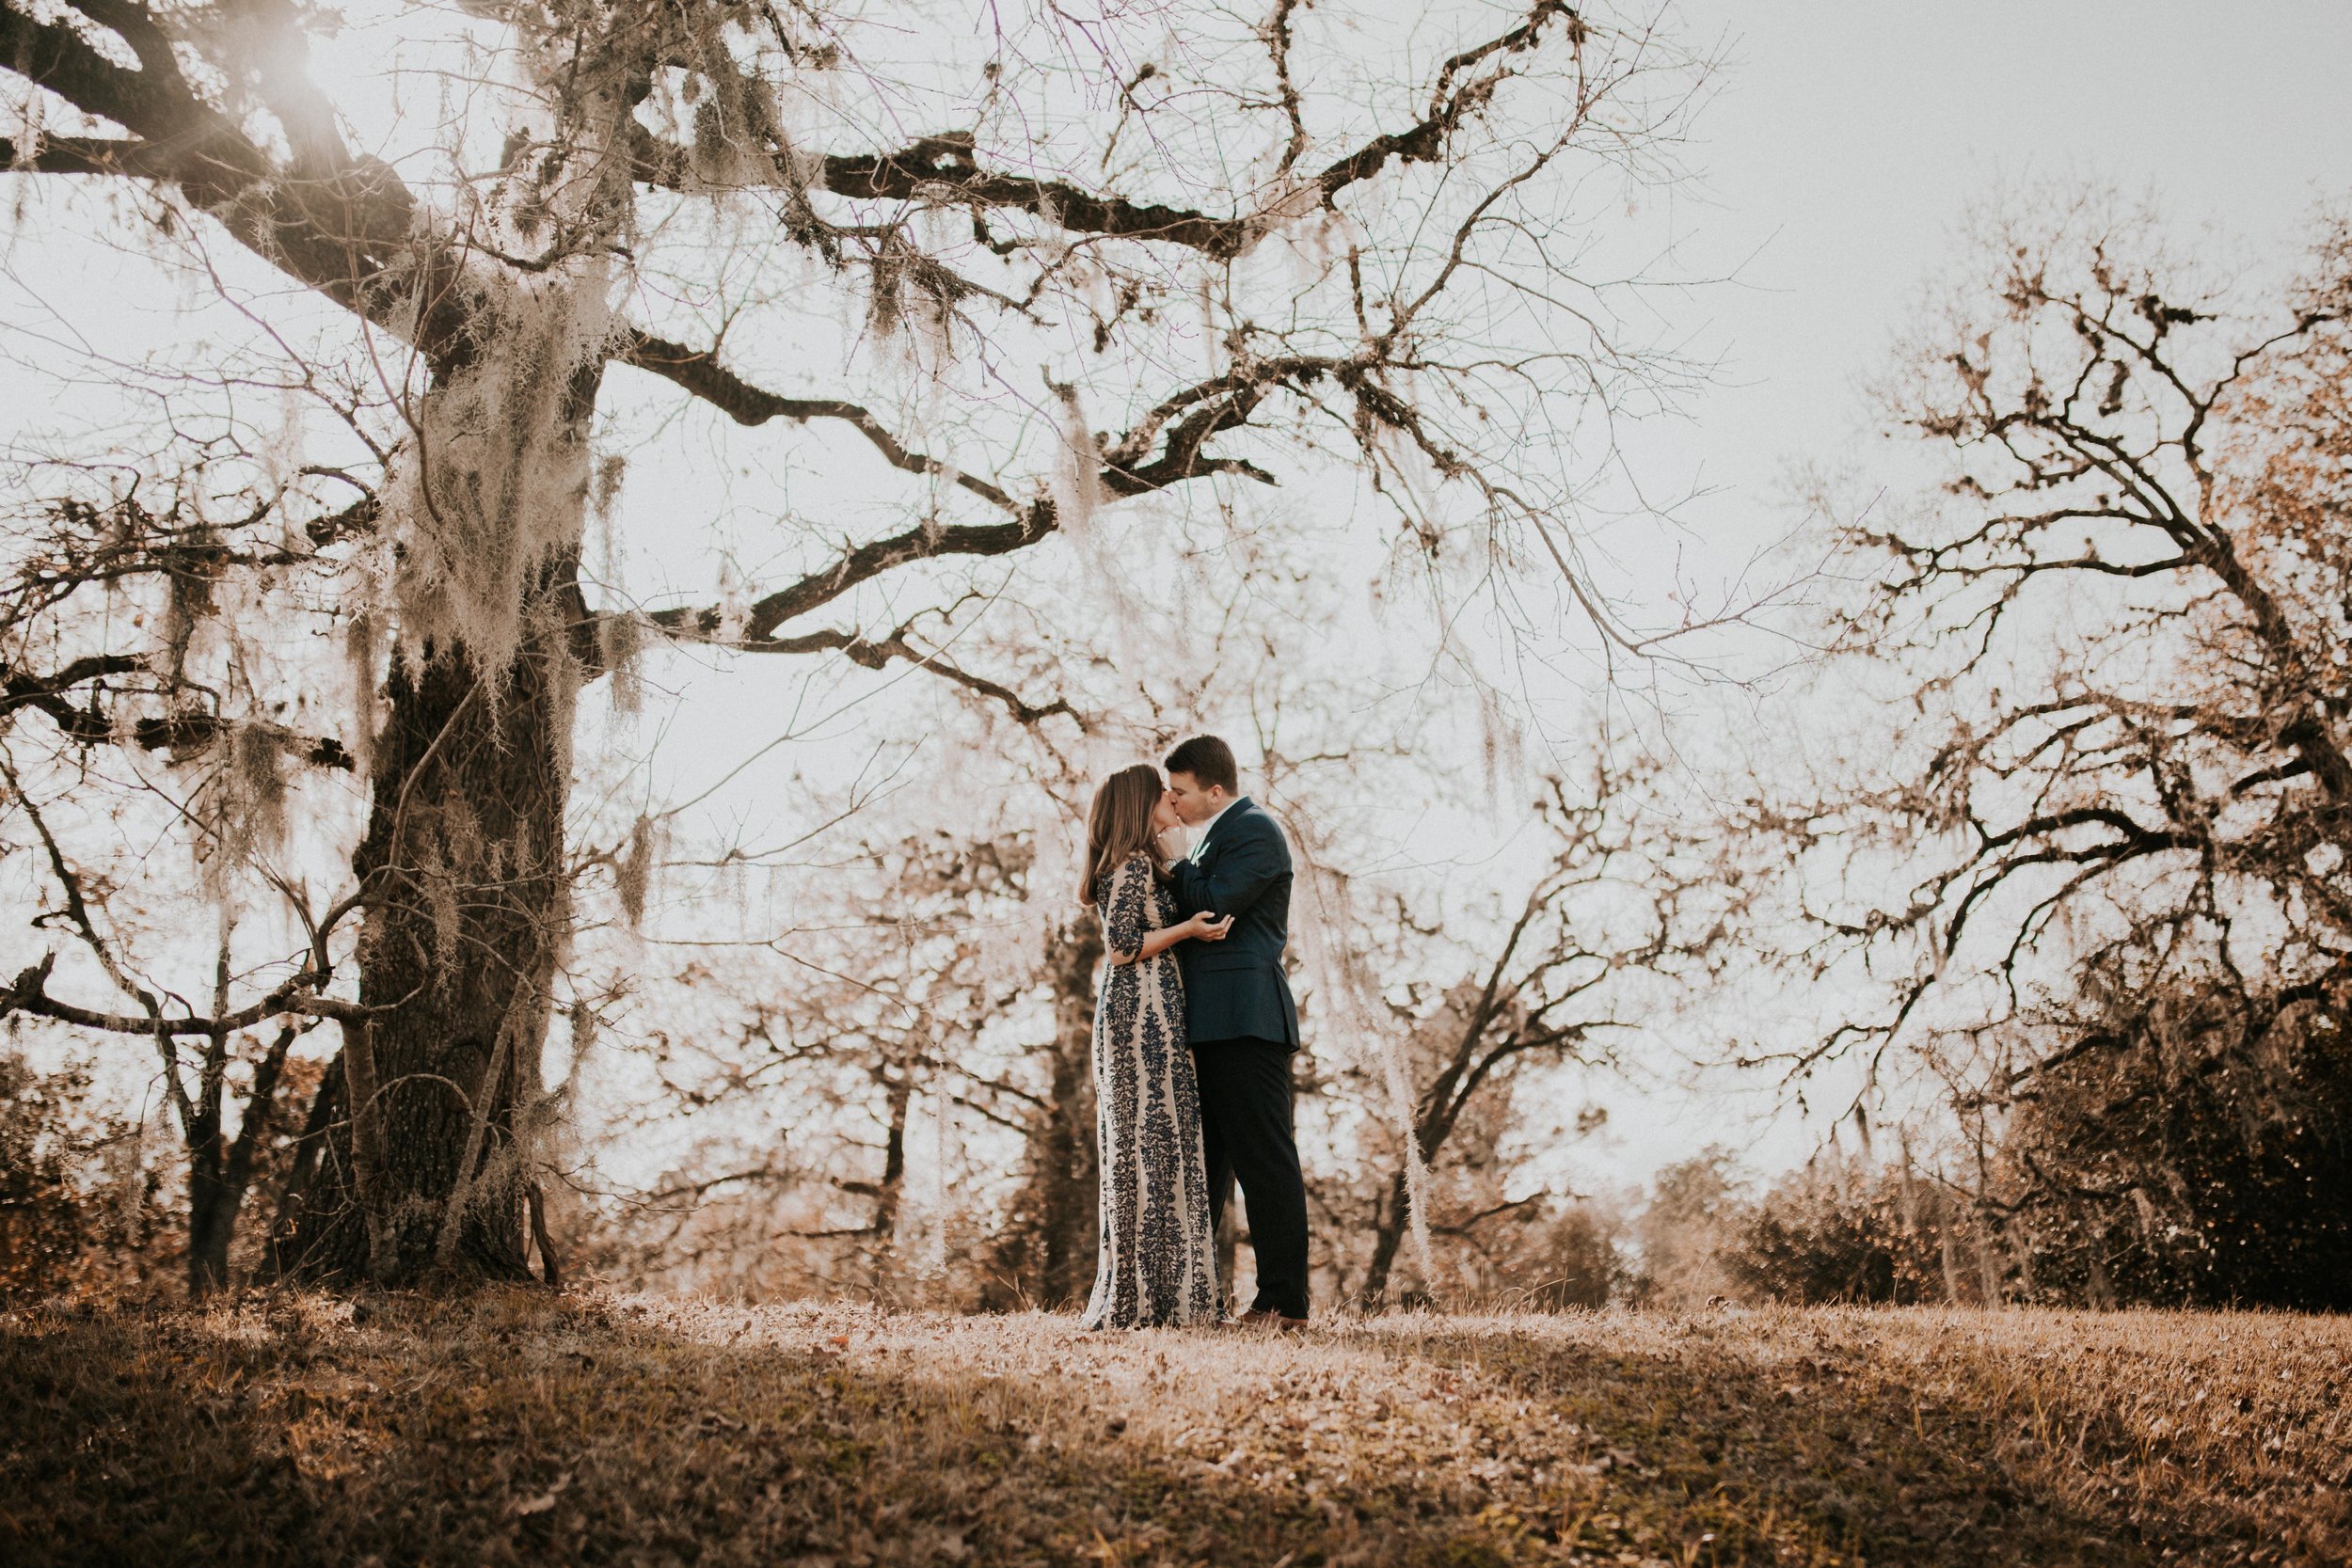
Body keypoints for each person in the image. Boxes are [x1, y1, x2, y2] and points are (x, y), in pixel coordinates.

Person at [1157, 735, 1311, 1330]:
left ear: (1214, 791)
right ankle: (1195, 1296)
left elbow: (1216, 906)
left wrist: (1171, 867)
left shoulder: (1255, 832)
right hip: (1212, 1022)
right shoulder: (1219, 835)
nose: (1174, 801)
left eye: (1181, 791)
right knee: (1208, 1164)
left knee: (1265, 1163)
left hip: (1246, 1019)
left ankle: (1283, 1302)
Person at [1075, 763, 1230, 1329]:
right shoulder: (1132, 864)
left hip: (1155, 1013)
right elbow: (1121, 947)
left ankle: (1166, 1296)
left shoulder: (1144, 865)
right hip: (1139, 1017)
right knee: (1151, 1147)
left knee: (1160, 1147)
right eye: (1162, 793)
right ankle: (1149, 1299)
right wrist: (1188, 929)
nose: (1171, 798)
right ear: (1139, 804)